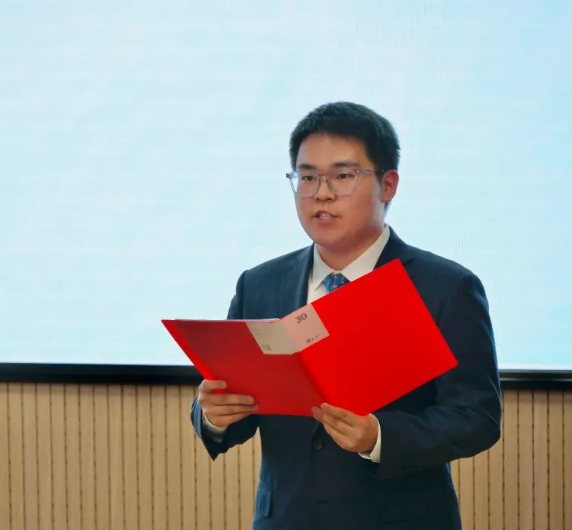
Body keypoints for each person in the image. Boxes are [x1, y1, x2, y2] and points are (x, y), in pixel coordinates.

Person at [191, 101, 502, 529]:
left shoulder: (445, 287)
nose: (322, 193)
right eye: (307, 177)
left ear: (388, 185)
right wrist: (213, 414)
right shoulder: (260, 284)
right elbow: (239, 406)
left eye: (342, 176)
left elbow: (476, 418)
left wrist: (380, 437)